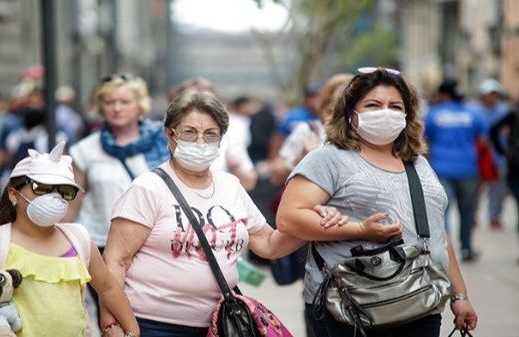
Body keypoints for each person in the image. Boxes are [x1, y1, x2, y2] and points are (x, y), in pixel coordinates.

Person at [100, 91, 345, 337]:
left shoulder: (230, 186)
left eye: (210, 134)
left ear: (220, 140)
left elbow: (270, 244)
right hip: (152, 325)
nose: (199, 142)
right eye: (189, 132)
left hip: (220, 326)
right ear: (169, 135)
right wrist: (111, 324)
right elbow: (116, 261)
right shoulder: (148, 187)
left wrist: (314, 221)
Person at [276, 68, 478, 337]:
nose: (386, 112)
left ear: (407, 116)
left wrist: (459, 295)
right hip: (351, 306)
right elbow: (289, 217)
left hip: (421, 302)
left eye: (395, 106)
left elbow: (438, 234)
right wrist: (359, 230)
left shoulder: (418, 164)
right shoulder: (328, 159)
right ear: (350, 113)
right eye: (373, 105)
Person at [0, 142, 140, 337]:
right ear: (14, 195)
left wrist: (132, 331)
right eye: (42, 188)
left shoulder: (79, 240)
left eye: (65, 191)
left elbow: (108, 288)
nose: (55, 197)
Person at [66, 74, 170, 324]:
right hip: (101, 245)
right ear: (101, 107)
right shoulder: (86, 149)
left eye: (124, 101)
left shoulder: (164, 144)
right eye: (110, 102)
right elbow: (73, 199)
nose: (117, 108)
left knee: (148, 318)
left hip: (151, 244)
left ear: (140, 105)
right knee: (112, 320)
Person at [425, 79, 488, 262]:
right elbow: (483, 142)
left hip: (441, 169)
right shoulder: (474, 113)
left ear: (444, 94)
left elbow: (425, 141)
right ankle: (467, 248)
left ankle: (445, 251)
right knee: (467, 211)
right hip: (469, 169)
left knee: (442, 211)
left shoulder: (434, 114)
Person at [467, 79, 511, 229]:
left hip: (498, 158)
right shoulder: (472, 110)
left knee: (498, 190)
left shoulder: (504, 111)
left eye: (494, 94)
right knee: (474, 190)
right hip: (477, 157)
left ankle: (495, 217)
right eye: (488, 94)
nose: (491, 97)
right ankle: (472, 217)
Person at [490, 105, 519, 260]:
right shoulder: (513, 113)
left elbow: (494, 129)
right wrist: (504, 151)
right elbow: (494, 129)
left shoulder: (513, 112)